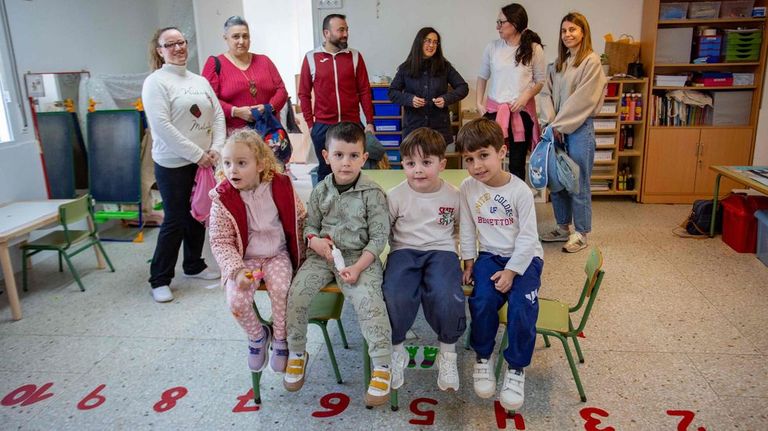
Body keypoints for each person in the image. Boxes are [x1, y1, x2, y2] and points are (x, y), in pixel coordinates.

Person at [283, 122, 392, 407]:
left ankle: (382, 364)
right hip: (323, 256)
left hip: (359, 258)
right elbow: (310, 225)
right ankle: (297, 351)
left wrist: (359, 267)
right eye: (339, 155)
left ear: (364, 158)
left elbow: (379, 238)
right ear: (326, 156)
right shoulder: (320, 190)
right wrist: (313, 240)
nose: (346, 162)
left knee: (370, 301)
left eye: (353, 156)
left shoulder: (373, 193)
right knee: (297, 293)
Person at [456, 118, 544, 411]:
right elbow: (467, 227)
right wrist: (469, 262)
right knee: (481, 300)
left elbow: (529, 238)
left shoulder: (520, 191)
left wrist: (512, 271)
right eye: (469, 159)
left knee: (522, 306)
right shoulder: (468, 187)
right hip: (490, 255)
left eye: (483, 155)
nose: (477, 165)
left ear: (502, 152)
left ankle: (516, 368)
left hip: (525, 257)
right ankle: (483, 356)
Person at [208, 129, 306, 373]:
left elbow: (300, 217)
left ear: (261, 164)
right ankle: (258, 336)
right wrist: (236, 270)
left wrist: (304, 253)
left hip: (277, 254)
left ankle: (281, 339)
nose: (233, 170)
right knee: (236, 301)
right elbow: (220, 241)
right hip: (245, 260)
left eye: (241, 163)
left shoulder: (281, 186)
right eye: (227, 163)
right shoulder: (222, 198)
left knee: (281, 289)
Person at [142, 27, 225, 303]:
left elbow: (218, 116)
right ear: (160, 50)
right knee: (175, 218)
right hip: (173, 162)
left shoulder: (199, 80)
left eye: (181, 42)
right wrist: (197, 153)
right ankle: (159, 279)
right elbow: (161, 126)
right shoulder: (156, 82)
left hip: (204, 160)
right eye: (170, 44)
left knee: (198, 214)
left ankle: (193, 265)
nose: (178, 48)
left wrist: (216, 148)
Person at [382, 128, 465, 392]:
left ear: (442, 164)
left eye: (426, 162)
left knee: (447, 293)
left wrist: (468, 259)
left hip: (442, 250)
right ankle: (396, 350)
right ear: (402, 164)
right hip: (403, 250)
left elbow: (462, 228)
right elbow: (383, 230)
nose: (418, 170)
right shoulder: (395, 195)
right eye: (410, 163)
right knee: (394, 293)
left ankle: (447, 353)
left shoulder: (454, 195)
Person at [539, 12, 607, 253]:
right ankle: (562, 227)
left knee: (578, 182)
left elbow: (583, 100)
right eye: (564, 30)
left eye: (572, 30)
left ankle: (581, 233)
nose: (567, 34)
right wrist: (550, 123)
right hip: (556, 130)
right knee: (557, 181)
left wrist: (560, 125)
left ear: (583, 32)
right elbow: (545, 94)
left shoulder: (591, 62)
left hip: (578, 130)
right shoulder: (559, 63)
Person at [298, 14, 375, 183]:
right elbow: (303, 93)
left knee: (352, 169)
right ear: (326, 33)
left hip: (352, 123)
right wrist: (310, 124)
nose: (345, 34)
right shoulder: (311, 57)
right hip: (323, 126)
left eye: (346, 30)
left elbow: (364, 90)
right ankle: (323, 200)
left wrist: (369, 121)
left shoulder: (354, 56)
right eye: (341, 30)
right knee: (325, 171)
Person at [476, 3, 545, 181]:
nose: (497, 26)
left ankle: (516, 197)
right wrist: (479, 103)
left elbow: (540, 81)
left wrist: (526, 96)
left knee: (517, 163)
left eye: (501, 22)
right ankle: (493, 195)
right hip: (494, 112)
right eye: (497, 22)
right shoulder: (492, 47)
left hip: (520, 112)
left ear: (515, 23)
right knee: (490, 160)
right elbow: (482, 76)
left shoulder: (534, 49)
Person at [202, 16, 288, 134]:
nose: (241, 41)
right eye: (236, 36)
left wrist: (269, 107)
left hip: (270, 133)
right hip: (235, 136)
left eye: (245, 36)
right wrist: (235, 111)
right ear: (225, 38)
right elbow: (208, 99)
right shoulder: (215, 64)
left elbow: (282, 90)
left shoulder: (264, 61)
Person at [388, 27, 468, 146]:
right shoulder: (406, 68)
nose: (431, 45)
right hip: (414, 128)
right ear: (419, 42)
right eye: (428, 41)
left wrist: (446, 99)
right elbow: (392, 92)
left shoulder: (445, 67)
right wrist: (410, 99)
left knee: (436, 157)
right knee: (415, 157)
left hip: (439, 128)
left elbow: (463, 87)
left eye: (435, 42)